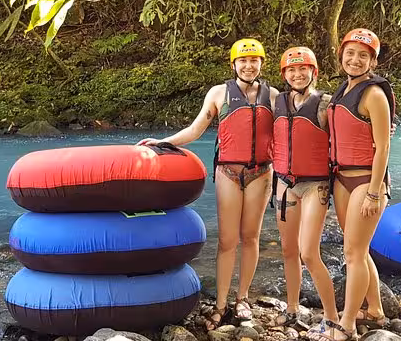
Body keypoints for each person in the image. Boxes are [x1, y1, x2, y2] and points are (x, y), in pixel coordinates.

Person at [138, 38, 279, 330]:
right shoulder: (218, 93)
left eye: (254, 61)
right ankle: (221, 303)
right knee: (228, 240)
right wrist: (163, 142)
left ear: (261, 64)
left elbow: (297, 124)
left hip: (261, 173)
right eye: (243, 61)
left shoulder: (274, 96)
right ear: (234, 64)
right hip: (228, 172)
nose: (249, 65)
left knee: (251, 237)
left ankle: (242, 299)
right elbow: (195, 129)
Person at [316, 29, 395, 341]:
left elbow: (384, 147)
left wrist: (375, 191)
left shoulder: (374, 94)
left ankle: (347, 323)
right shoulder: (342, 90)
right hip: (341, 178)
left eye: (363, 55)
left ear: (372, 61)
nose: (355, 59)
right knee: (359, 251)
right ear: (341, 55)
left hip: (366, 180)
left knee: (352, 252)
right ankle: (375, 310)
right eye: (350, 53)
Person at [270, 47, 339, 333]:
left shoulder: (325, 104)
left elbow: (350, 131)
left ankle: (333, 317)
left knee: (309, 253)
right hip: (285, 184)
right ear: (285, 74)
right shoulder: (277, 102)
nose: (297, 74)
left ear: (314, 72)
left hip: (315, 185)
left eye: (303, 69)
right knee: (289, 251)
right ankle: (292, 308)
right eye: (291, 70)